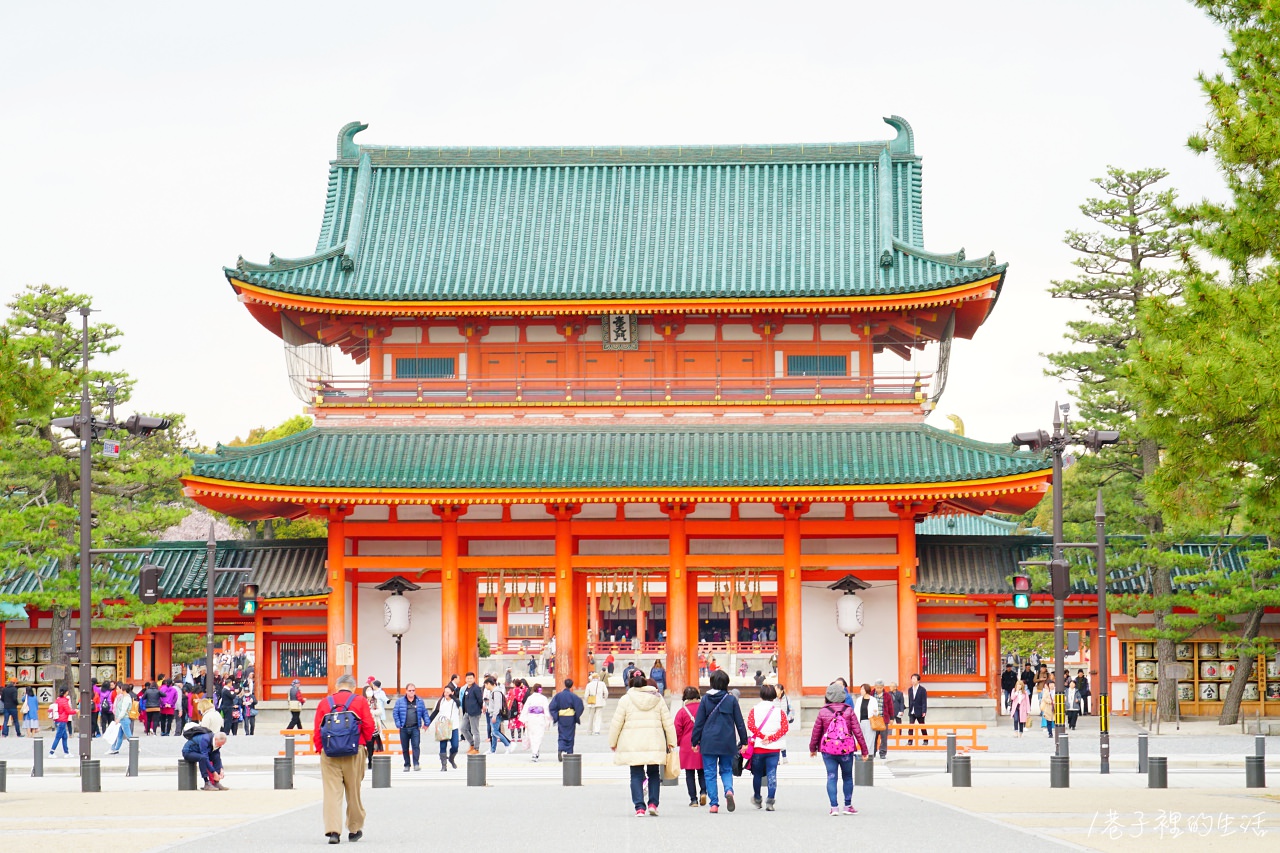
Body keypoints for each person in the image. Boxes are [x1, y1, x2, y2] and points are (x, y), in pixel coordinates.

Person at [313, 673, 376, 845]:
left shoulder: (325, 702)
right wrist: (364, 743)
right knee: (353, 791)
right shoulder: (360, 701)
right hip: (354, 751)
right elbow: (370, 726)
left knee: (332, 793)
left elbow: (317, 729)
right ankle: (354, 829)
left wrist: (320, 749)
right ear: (353, 687)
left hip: (330, 753)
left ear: (337, 686)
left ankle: (333, 831)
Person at [609, 672, 677, 817]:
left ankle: (639, 807)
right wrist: (672, 741)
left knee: (635, 775)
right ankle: (653, 804)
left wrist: (613, 742)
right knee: (653, 773)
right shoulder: (658, 699)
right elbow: (668, 722)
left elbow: (616, 723)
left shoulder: (626, 699)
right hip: (654, 741)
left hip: (633, 742)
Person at [691, 668, 749, 814]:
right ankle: (729, 790)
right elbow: (739, 722)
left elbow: (699, 722)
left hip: (709, 741)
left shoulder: (705, 699)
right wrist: (744, 741)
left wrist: (694, 741)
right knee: (726, 769)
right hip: (727, 741)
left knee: (710, 772)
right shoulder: (731, 699)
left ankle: (714, 804)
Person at [808, 682, 871, 816]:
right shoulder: (848, 711)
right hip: (846, 750)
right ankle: (847, 806)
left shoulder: (823, 711)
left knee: (831, 777)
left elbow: (816, 732)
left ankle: (834, 807)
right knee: (847, 776)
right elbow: (858, 731)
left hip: (828, 750)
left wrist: (812, 748)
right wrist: (865, 751)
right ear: (843, 696)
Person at [746, 684, 788, 811]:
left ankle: (757, 798)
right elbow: (785, 728)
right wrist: (771, 738)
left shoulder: (754, 709)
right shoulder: (779, 712)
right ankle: (770, 800)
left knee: (757, 774)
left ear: (761, 695)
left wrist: (762, 736)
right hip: (774, 749)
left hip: (758, 747)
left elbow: (750, 725)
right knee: (772, 773)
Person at [673, 686, 707, 807]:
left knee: (689, 773)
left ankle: (693, 799)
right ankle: (704, 791)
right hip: (703, 742)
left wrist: (678, 742)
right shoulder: (704, 709)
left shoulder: (682, 712)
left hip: (687, 744)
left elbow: (677, 729)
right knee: (702, 771)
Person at [393, 683, 429, 771]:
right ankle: (407, 764)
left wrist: (427, 723)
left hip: (415, 727)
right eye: (410, 690)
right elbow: (395, 713)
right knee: (405, 747)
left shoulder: (420, 701)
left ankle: (416, 763)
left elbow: (424, 712)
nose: (411, 692)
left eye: (413, 690)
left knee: (416, 746)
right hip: (404, 728)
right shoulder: (400, 701)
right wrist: (398, 724)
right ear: (406, 691)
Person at [547, 678, 584, 760]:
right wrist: (576, 715)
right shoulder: (574, 696)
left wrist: (556, 716)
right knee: (570, 735)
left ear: (565, 684)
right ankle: (569, 752)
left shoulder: (558, 695)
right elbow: (580, 706)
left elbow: (552, 707)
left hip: (561, 717)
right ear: (571, 685)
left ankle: (560, 749)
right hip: (570, 718)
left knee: (562, 734)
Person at [432, 685, 462, 770]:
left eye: (448, 692)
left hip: (453, 726)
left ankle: (451, 758)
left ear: (452, 692)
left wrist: (452, 695)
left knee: (455, 746)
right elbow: (435, 712)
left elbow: (459, 703)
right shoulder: (441, 701)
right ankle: (443, 765)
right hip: (443, 726)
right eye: (445, 692)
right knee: (443, 746)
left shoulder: (455, 701)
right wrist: (427, 723)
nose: (446, 694)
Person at [518, 682, 551, 761]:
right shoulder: (543, 698)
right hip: (540, 718)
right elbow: (546, 709)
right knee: (538, 736)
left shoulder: (530, 698)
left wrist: (525, 720)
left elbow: (525, 709)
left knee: (532, 736)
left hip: (531, 718)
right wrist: (548, 721)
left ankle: (534, 752)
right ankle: (535, 752)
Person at [458, 672, 485, 754]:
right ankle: (472, 744)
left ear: (474, 679)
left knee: (475, 731)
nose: (469, 680)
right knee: (463, 728)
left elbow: (480, 700)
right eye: (468, 678)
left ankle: (476, 748)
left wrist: (480, 709)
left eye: (471, 678)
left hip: (474, 712)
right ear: (465, 679)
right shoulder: (466, 688)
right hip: (467, 712)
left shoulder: (476, 688)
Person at [483, 675, 511, 754]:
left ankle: (508, 744)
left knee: (495, 732)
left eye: (485, 684)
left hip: (496, 715)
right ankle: (492, 749)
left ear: (489, 684)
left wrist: (494, 715)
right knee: (493, 733)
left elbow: (497, 705)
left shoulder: (496, 692)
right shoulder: (493, 692)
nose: (485, 686)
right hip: (493, 714)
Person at [108, 684, 135, 754]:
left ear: (124, 690)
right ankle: (116, 749)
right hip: (122, 719)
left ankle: (136, 746)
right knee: (119, 735)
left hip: (124, 719)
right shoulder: (123, 697)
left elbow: (123, 710)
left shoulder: (126, 698)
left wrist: (118, 718)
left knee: (128, 735)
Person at [873, 680, 894, 759]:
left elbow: (890, 707)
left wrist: (891, 718)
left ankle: (883, 752)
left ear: (883, 687)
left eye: (880, 688)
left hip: (883, 718)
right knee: (874, 737)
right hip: (874, 719)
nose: (878, 689)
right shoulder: (872, 694)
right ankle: (873, 752)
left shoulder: (887, 695)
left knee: (884, 737)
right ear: (874, 687)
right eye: (877, 687)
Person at [49, 688, 73, 756]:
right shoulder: (64, 701)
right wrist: (75, 711)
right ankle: (51, 752)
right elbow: (68, 711)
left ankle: (66, 752)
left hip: (59, 720)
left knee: (64, 737)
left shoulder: (58, 699)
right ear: (66, 692)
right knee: (58, 737)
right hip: (62, 720)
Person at [906, 673, 928, 746]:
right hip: (912, 710)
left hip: (920, 710)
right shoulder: (910, 689)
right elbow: (910, 700)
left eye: (914, 679)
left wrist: (924, 711)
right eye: (912, 679)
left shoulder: (922, 690)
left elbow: (924, 701)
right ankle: (910, 740)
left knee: (922, 726)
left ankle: (925, 740)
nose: (913, 680)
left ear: (918, 680)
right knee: (911, 726)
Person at [854, 683, 877, 747]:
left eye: (862, 689)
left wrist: (874, 712)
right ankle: (863, 753)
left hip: (870, 721)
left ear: (866, 690)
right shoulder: (859, 700)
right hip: (860, 720)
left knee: (869, 738)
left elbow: (876, 711)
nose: (861, 691)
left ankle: (869, 754)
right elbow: (856, 711)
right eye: (861, 689)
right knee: (861, 738)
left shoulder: (873, 700)